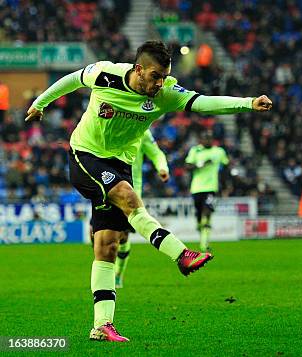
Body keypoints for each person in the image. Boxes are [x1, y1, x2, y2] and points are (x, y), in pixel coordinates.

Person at [26, 40, 272, 341]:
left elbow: (203, 102)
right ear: (138, 70)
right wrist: (40, 103)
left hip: (121, 162)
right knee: (129, 198)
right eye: (155, 76)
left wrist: (248, 103)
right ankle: (180, 254)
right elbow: (70, 79)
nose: (160, 83)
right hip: (85, 154)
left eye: (164, 76)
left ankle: (101, 324)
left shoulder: (165, 93)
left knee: (108, 245)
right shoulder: (105, 74)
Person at [115, 129, 170, 289]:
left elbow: (156, 153)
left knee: (122, 236)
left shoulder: (143, 131)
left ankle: (118, 273)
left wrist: (162, 168)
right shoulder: (111, 123)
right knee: (98, 236)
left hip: (130, 190)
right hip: (105, 185)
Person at [185, 130, 229, 252]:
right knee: (199, 216)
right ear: (201, 139)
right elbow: (187, 166)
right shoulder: (195, 150)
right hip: (196, 188)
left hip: (211, 188)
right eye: (205, 138)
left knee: (207, 212)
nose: (207, 140)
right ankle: (200, 226)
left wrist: (226, 185)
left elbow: (226, 166)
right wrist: (201, 164)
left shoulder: (219, 151)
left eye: (209, 138)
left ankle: (204, 244)